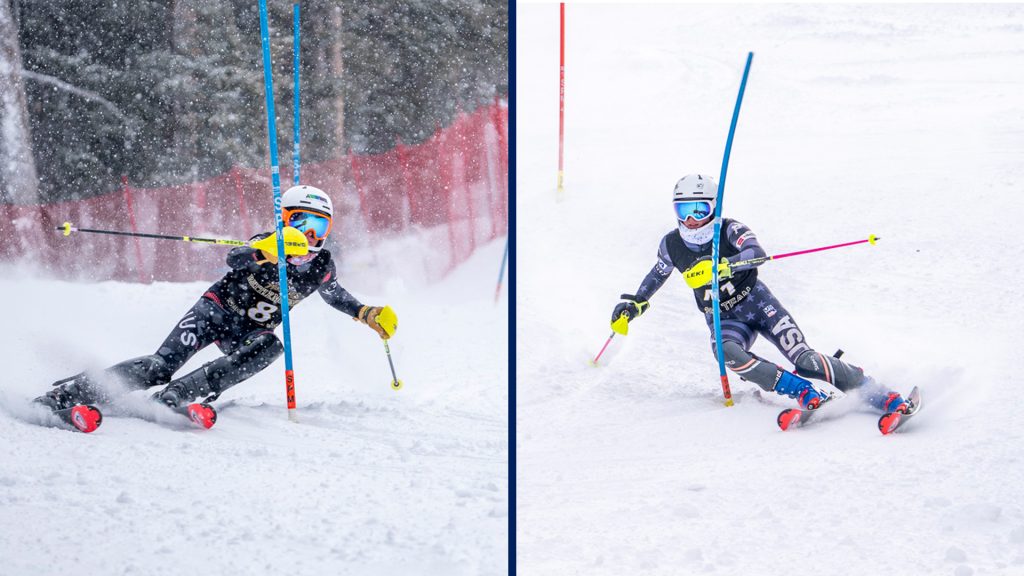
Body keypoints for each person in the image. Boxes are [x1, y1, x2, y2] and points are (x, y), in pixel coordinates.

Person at [36, 185, 397, 421]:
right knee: (158, 367)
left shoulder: (321, 265)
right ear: (286, 220)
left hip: (248, 332)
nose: (311, 234)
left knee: (270, 346)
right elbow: (235, 258)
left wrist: (366, 314)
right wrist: (265, 252)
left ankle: (178, 396)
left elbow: (334, 293)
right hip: (214, 312)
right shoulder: (268, 241)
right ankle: (67, 395)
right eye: (303, 223)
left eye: (321, 226)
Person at [611, 173, 907, 415]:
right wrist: (635, 303)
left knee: (806, 360)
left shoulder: (729, 229)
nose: (691, 219)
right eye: (683, 210)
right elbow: (658, 274)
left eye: (699, 209)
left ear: (714, 207)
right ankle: (802, 391)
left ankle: (881, 395)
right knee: (726, 353)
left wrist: (723, 266)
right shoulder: (671, 244)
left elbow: (756, 253)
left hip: (759, 305)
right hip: (722, 317)